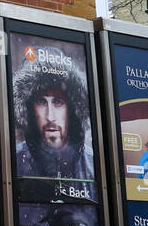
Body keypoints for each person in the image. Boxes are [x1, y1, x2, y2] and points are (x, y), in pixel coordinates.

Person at [13, 53, 94, 199]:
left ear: (72, 108)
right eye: (41, 102)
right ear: (29, 109)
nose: (50, 117)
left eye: (58, 102)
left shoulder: (94, 165)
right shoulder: (14, 162)